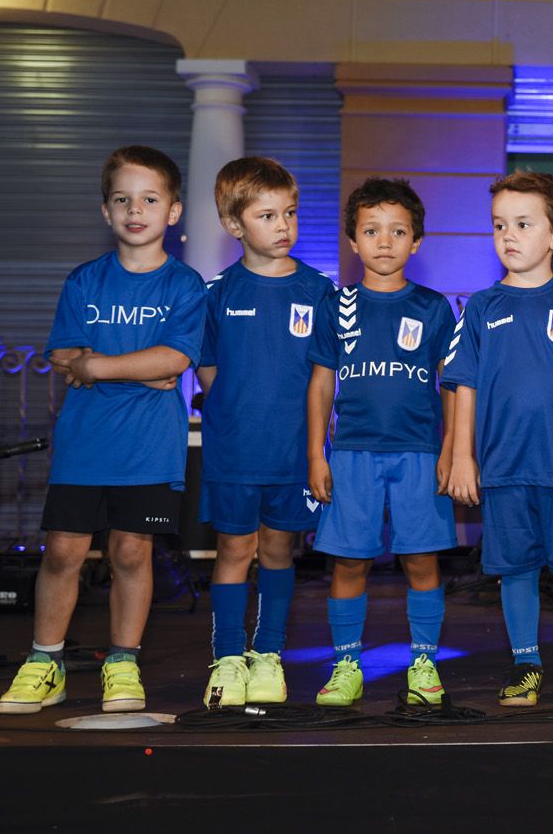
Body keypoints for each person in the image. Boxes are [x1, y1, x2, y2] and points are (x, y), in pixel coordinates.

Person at [0, 146, 206, 715]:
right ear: (105, 211)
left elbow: (172, 361)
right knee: (63, 552)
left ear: (174, 211)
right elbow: (65, 355)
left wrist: (99, 365)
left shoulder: (186, 286)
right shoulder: (85, 280)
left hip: (148, 449)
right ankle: (45, 662)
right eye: (122, 199)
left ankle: (122, 663)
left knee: (132, 554)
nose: (135, 210)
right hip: (85, 445)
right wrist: (133, 366)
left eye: (149, 199)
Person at [442, 171, 553, 707]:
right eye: (500, 225)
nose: (509, 236)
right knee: (514, 569)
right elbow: (464, 387)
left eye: (523, 224)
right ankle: (526, 667)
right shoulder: (481, 308)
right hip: (502, 470)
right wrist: (461, 457)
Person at [305, 177, 457, 707]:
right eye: (372, 230)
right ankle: (347, 664)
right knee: (349, 562)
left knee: (421, 560)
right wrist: (315, 455)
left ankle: (423, 665)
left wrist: (453, 452)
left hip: (419, 454)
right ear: (353, 240)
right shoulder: (337, 305)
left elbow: (453, 387)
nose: (385, 241)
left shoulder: (435, 308)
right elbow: (321, 383)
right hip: (350, 454)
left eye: (398, 231)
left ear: (416, 241)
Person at [198, 157, 334, 707]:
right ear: (235, 225)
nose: (284, 226)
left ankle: (268, 655)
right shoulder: (217, 291)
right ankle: (228, 657)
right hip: (234, 450)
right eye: (268, 215)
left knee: (280, 550)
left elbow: (326, 374)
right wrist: (234, 411)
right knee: (234, 549)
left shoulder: (320, 290)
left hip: (294, 454)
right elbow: (207, 370)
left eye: (291, 213)